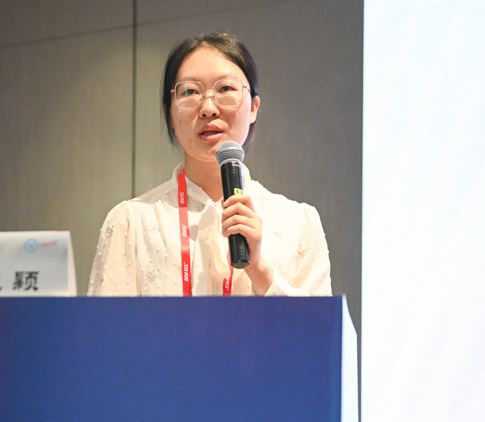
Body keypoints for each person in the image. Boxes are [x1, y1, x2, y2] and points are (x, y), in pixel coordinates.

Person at [88, 32, 331, 296]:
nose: (208, 108)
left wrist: (259, 269)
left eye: (225, 89)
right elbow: (106, 323)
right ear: (169, 112)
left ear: (253, 107)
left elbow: (318, 323)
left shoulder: (299, 223)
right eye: (190, 92)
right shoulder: (131, 222)